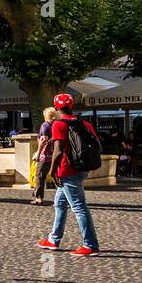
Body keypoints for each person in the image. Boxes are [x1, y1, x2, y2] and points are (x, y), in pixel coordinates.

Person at [36, 93, 102, 257]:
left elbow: (58, 151)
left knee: (79, 207)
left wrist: (52, 171)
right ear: (71, 106)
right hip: (81, 169)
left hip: (66, 171)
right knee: (59, 204)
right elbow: (97, 144)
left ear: (57, 107)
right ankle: (53, 239)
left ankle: (90, 244)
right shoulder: (84, 123)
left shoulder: (59, 124)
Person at [31, 106, 57, 205]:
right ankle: (63, 198)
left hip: (45, 156)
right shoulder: (56, 125)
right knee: (56, 177)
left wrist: (38, 152)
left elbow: (43, 140)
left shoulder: (45, 125)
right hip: (55, 154)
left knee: (39, 176)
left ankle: (39, 198)